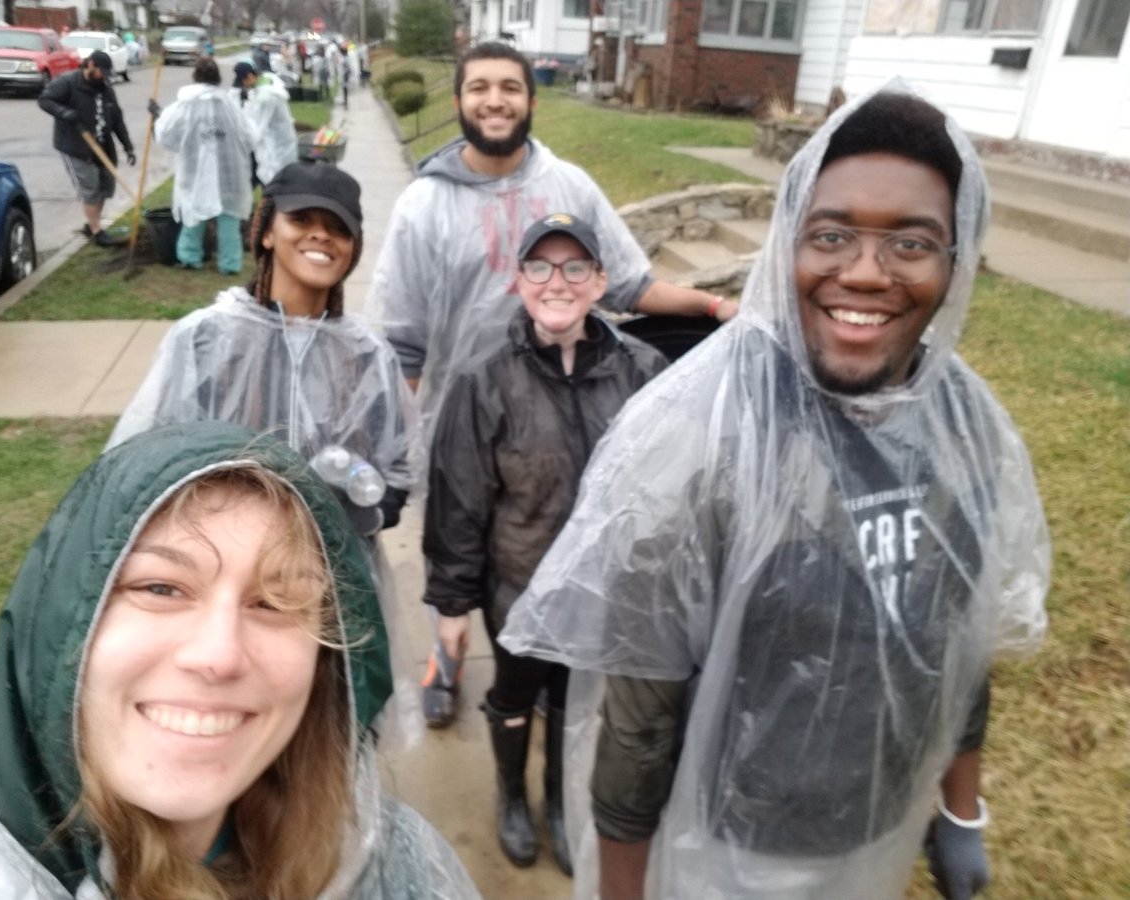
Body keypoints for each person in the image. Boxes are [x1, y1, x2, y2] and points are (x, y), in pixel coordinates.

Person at [500, 83, 1051, 899]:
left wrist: (960, 811)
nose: (865, 272)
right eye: (831, 236)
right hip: (728, 851)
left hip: (879, 829)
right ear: (787, 241)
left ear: (956, 262)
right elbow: (640, 719)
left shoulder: (963, 426)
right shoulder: (700, 432)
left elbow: (957, 646)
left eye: (911, 242)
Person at [0, 422, 480, 898]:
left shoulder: (393, 865)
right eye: (161, 588)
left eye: (275, 603)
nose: (219, 655)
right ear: (60, 620)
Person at [364, 41, 737, 728]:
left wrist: (713, 306)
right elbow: (404, 341)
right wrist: (394, 443)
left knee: (539, 547)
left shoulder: (569, 187)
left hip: (551, 414)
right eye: (480, 87)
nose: (495, 100)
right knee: (457, 546)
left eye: (509, 87)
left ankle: (536, 662)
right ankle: (446, 657)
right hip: (460, 419)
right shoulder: (425, 205)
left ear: (531, 100)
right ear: (459, 101)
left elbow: (629, 284)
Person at [106, 163, 422, 738]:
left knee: (332, 735)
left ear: (353, 249)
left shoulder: (367, 357)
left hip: (333, 593)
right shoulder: (204, 340)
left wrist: (360, 505)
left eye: (339, 228)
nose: (321, 235)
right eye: (303, 219)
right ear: (267, 231)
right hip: (223, 592)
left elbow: (397, 473)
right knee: (235, 730)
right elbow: (142, 466)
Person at [424, 213, 668, 875]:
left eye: (574, 267)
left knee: (571, 698)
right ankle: (512, 793)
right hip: (518, 589)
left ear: (600, 282)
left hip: (602, 592)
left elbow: (667, 491)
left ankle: (560, 800)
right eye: (540, 266)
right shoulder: (485, 378)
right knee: (514, 691)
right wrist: (452, 603)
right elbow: (458, 497)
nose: (556, 282)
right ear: (519, 280)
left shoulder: (643, 372)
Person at [149, 57, 256, 274]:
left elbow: (165, 134)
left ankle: (190, 257)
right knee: (229, 217)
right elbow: (251, 136)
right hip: (229, 173)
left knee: (194, 213)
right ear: (218, 78)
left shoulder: (185, 106)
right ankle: (230, 264)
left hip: (194, 172)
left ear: (195, 76)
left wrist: (156, 116)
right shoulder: (230, 106)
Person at [39, 50, 135, 246]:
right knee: (90, 188)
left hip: (102, 145)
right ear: (90, 65)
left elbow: (117, 120)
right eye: (101, 72)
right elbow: (45, 100)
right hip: (75, 146)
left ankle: (92, 225)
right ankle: (96, 231)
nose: (103, 77)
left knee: (105, 186)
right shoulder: (68, 82)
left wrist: (128, 147)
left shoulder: (106, 89)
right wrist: (64, 113)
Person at [230, 59, 298, 185]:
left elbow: (256, 129)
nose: (244, 86)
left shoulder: (266, 96)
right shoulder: (264, 84)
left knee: (274, 183)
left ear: (250, 76)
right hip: (276, 144)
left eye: (243, 82)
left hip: (278, 148)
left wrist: (240, 144)